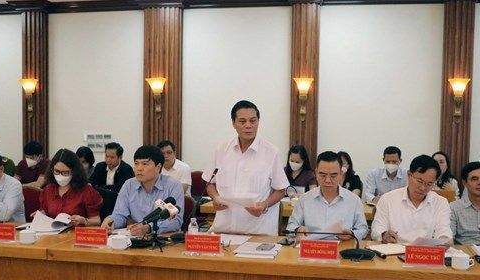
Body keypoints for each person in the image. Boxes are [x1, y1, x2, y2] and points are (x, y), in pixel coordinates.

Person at [203, 100, 289, 235]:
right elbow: (210, 183)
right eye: (242, 121)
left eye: (253, 121)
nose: (248, 125)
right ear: (233, 123)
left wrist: (264, 205)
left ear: (258, 122)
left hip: (258, 232)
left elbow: (280, 190)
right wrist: (215, 197)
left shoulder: (271, 152)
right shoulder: (221, 150)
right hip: (224, 230)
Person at [101, 145, 184, 236]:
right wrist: (111, 221)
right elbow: (120, 214)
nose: (139, 168)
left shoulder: (173, 186)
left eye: (145, 164)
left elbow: (176, 221)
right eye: (136, 163)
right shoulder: (129, 185)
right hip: (134, 237)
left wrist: (149, 228)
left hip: (164, 238)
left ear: (158, 167)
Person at [371, 154, 452, 244]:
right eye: (419, 181)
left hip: (425, 251)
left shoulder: (440, 203)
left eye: (429, 184)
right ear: (409, 175)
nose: (423, 188)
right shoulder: (387, 199)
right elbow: (377, 228)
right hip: (394, 250)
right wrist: (384, 235)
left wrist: (444, 239)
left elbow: (444, 230)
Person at [287, 151, 368, 240]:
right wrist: (297, 229)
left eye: (333, 176)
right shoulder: (304, 199)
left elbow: (363, 229)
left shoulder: (354, 200)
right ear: (316, 173)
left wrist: (352, 234)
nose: (328, 180)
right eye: (323, 175)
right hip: (311, 246)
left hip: (342, 246)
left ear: (341, 174)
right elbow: (290, 227)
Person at [38, 149, 102, 226]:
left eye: (65, 172)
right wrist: (41, 215)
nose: (60, 176)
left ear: (74, 171)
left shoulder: (86, 191)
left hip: (76, 232)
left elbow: (97, 221)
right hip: (54, 232)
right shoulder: (48, 190)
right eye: (56, 171)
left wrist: (84, 221)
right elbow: (45, 212)